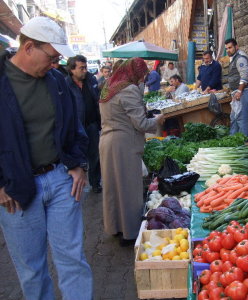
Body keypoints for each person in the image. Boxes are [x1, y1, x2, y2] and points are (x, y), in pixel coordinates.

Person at [0, 16, 93, 299]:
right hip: (16, 189)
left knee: (73, 260)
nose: (55, 64)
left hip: (62, 180)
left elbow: (74, 128)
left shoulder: (57, 82)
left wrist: (78, 165)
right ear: (28, 47)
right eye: (51, 57)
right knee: (32, 269)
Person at [99, 58, 165, 246]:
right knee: (128, 189)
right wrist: (158, 120)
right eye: (142, 73)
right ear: (134, 72)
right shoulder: (128, 90)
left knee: (113, 188)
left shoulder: (108, 87)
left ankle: (114, 227)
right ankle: (129, 234)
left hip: (107, 141)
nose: (143, 77)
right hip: (124, 144)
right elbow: (141, 123)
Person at [66, 55, 102, 193]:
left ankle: (95, 183)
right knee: (78, 157)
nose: (85, 70)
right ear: (72, 69)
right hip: (75, 128)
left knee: (95, 156)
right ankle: (77, 184)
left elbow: (97, 99)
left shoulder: (91, 80)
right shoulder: (65, 84)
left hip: (92, 125)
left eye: (86, 67)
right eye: (82, 68)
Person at [225, 38, 248, 137]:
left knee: (241, 118)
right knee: (234, 117)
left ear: (236, 47)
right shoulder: (234, 58)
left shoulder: (240, 58)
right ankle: (233, 140)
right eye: (226, 48)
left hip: (244, 92)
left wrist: (239, 91)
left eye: (230, 47)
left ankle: (244, 142)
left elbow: (245, 75)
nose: (228, 50)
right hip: (238, 93)